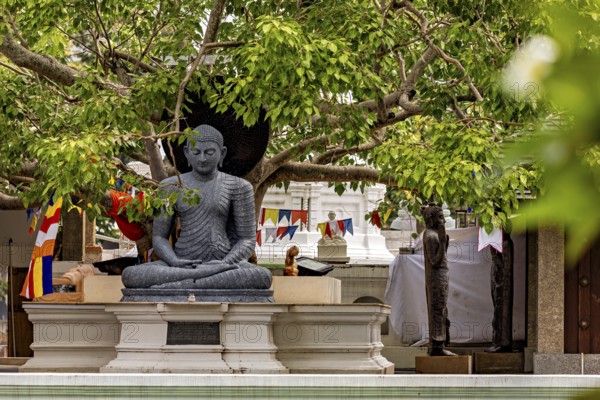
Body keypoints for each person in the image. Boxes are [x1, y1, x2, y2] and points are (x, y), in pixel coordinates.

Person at [121, 124, 271, 290]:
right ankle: (197, 279)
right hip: (181, 264)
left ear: (222, 153)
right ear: (186, 153)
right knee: (130, 275)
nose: (202, 158)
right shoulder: (170, 186)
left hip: (224, 264)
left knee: (262, 277)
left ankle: (184, 283)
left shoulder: (239, 187)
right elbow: (159, 237)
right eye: (196, 152)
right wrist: (174, 261)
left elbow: (247, 239)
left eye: (209, 152)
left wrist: (224, 263)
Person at [421, 203, 456, 356]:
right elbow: (435, 261)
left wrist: (444, 242)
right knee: (437, 308)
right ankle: (437, 345)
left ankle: (440, 344)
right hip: (436, 277)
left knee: (442, 308)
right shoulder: (429, 235)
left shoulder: (434, 234)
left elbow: (442, 257)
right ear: (432, 218)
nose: (443, 221)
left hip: (442, 274)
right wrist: (442, 243)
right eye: (440, 217)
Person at [485, 228, 514, 353]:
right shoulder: (499, 244)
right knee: (498, 311)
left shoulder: (506, 244)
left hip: (502, 284)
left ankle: (503, 342)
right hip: (497, 282)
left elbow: (505, 268)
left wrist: (494, 255)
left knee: (502, 311)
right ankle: (497, 341)